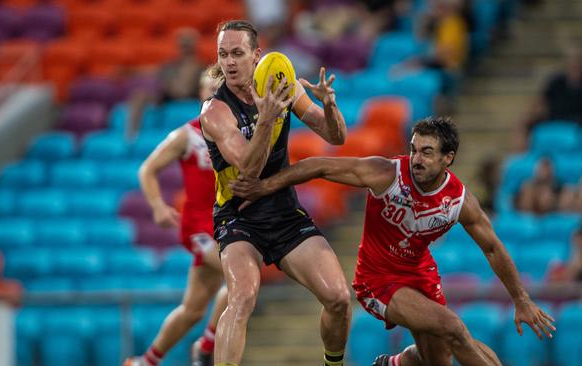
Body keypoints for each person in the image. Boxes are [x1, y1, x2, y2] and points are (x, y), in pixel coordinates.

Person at [231, 117, 556, 366]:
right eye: (414, 149)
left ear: (448, 159)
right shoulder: (386, 174)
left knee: (438, 359)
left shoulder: (459, 201)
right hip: (377, 279)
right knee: (453, 326)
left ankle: (396, 363)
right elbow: (318, 165)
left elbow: (493, 248)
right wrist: (265, 187)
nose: (416, 158)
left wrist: (522, 300)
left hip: (419, 273)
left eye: (427, 152)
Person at [200, 20, 351, 366]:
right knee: (241, 297)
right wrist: (267, 118)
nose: (229, 63)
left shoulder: (283, 84)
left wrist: (328, 106)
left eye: (237, 53)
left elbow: (336, 136)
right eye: (223, 55)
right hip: (238, 216)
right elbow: (249, 171)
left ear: (256, 55)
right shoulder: (215, 111)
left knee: (339, 299)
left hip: (282, 212)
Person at [124, 72, 226, 366]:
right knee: (242, 275)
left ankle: (146, 361)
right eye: (209, 91)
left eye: (220, 91)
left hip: (224, 225)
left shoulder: (236, 135)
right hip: (198, 226)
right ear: (199, 94)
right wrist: (157, 205)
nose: (214, 97)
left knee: (192, 309)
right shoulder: (188, 135)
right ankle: (206, 347)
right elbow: (147, 169)